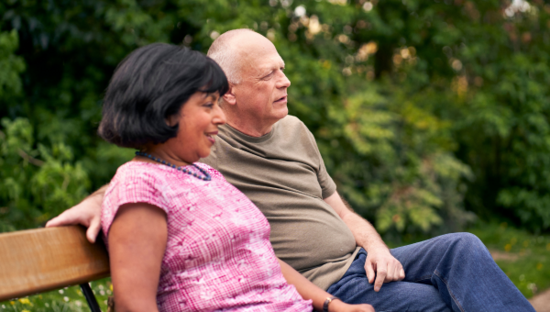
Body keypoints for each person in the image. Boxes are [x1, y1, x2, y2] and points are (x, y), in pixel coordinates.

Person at [48, 30, 535, 312]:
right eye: (269, 75)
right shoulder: (203, 151)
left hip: (355, 267)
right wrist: (99, 200)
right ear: (230, 92)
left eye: (282, 69)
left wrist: (377, 246)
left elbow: (340, 211)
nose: (285, 81)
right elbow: (143, 174)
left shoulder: (289, 133)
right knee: (446, 303)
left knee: (463, 249)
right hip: (324, 282)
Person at [90, 42, 373, 312]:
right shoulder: (140, 186)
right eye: (208, 105)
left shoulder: (206, 174)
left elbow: (262, 258)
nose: (221, 117)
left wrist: (333, 305)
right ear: (166, 112)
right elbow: (133, 306)